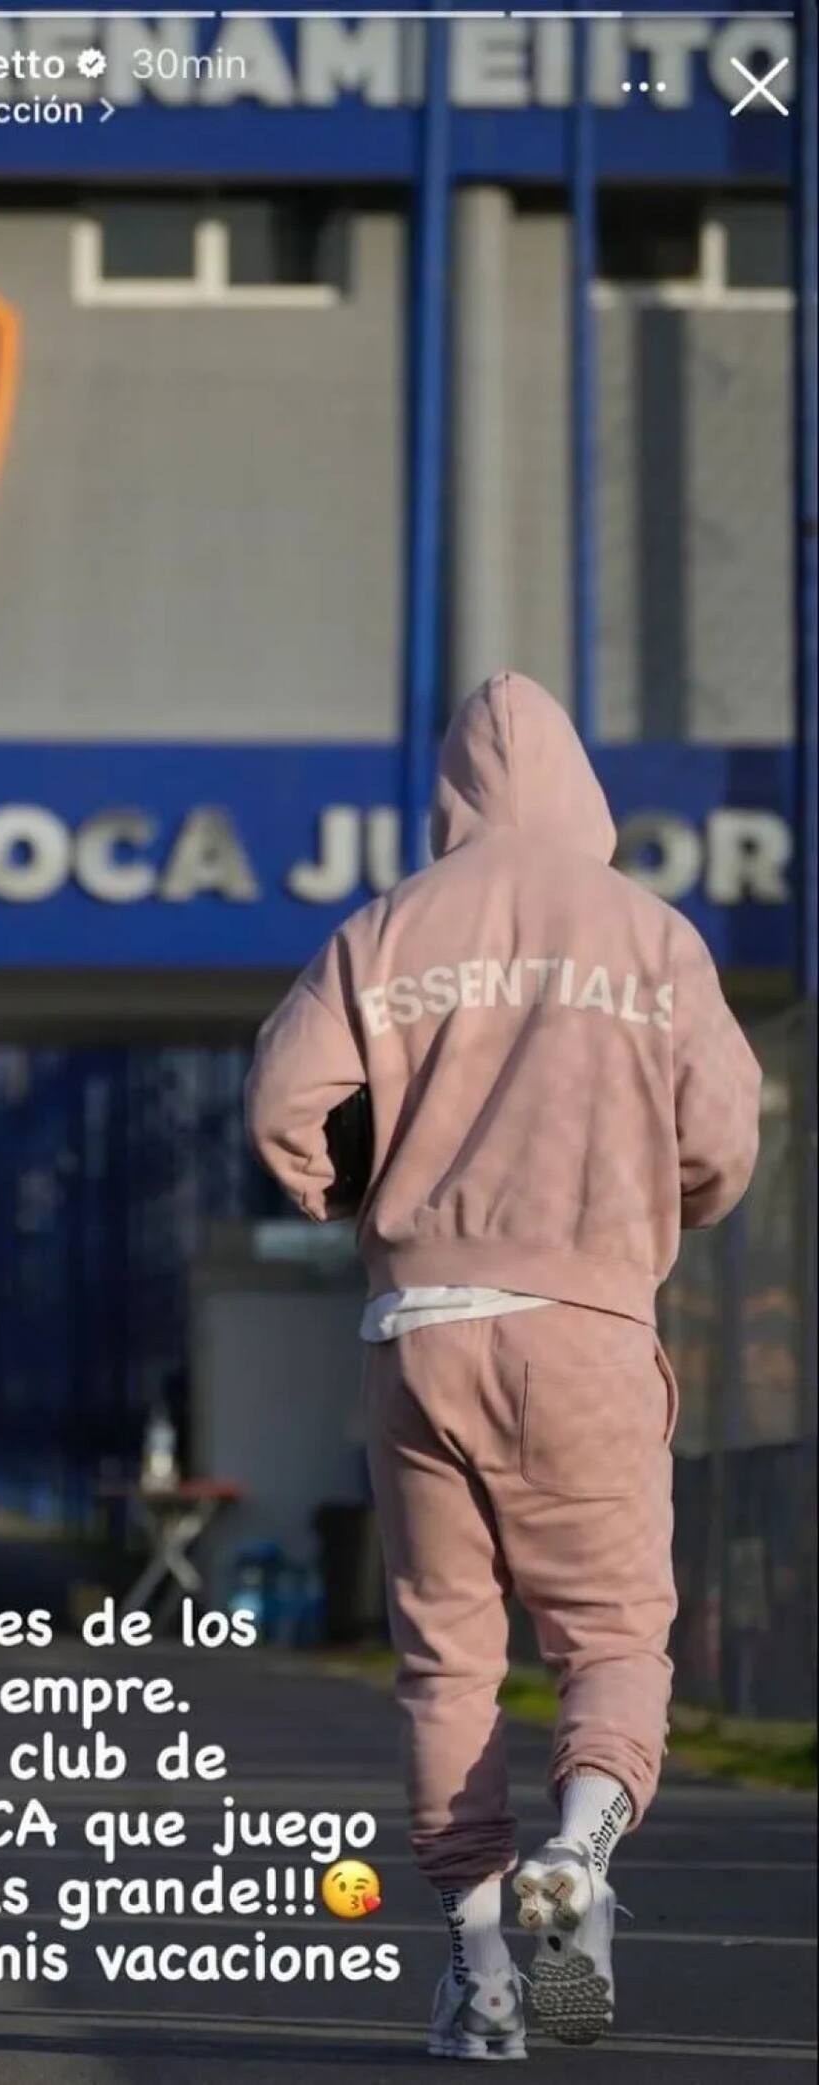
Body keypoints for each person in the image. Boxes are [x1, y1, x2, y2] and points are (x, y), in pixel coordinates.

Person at [245, 672, 760, 2059]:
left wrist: (350, 1191)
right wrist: (648, 1205)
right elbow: (722, 1142)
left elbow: (283, 1103)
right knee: (613, 1636)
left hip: (420, 1332)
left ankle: (481, 1982)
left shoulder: (384, 930)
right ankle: (581, 1848)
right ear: (585, 793)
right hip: (587, 1324)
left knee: (447, 1667)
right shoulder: (653, 937)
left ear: (454, 795)